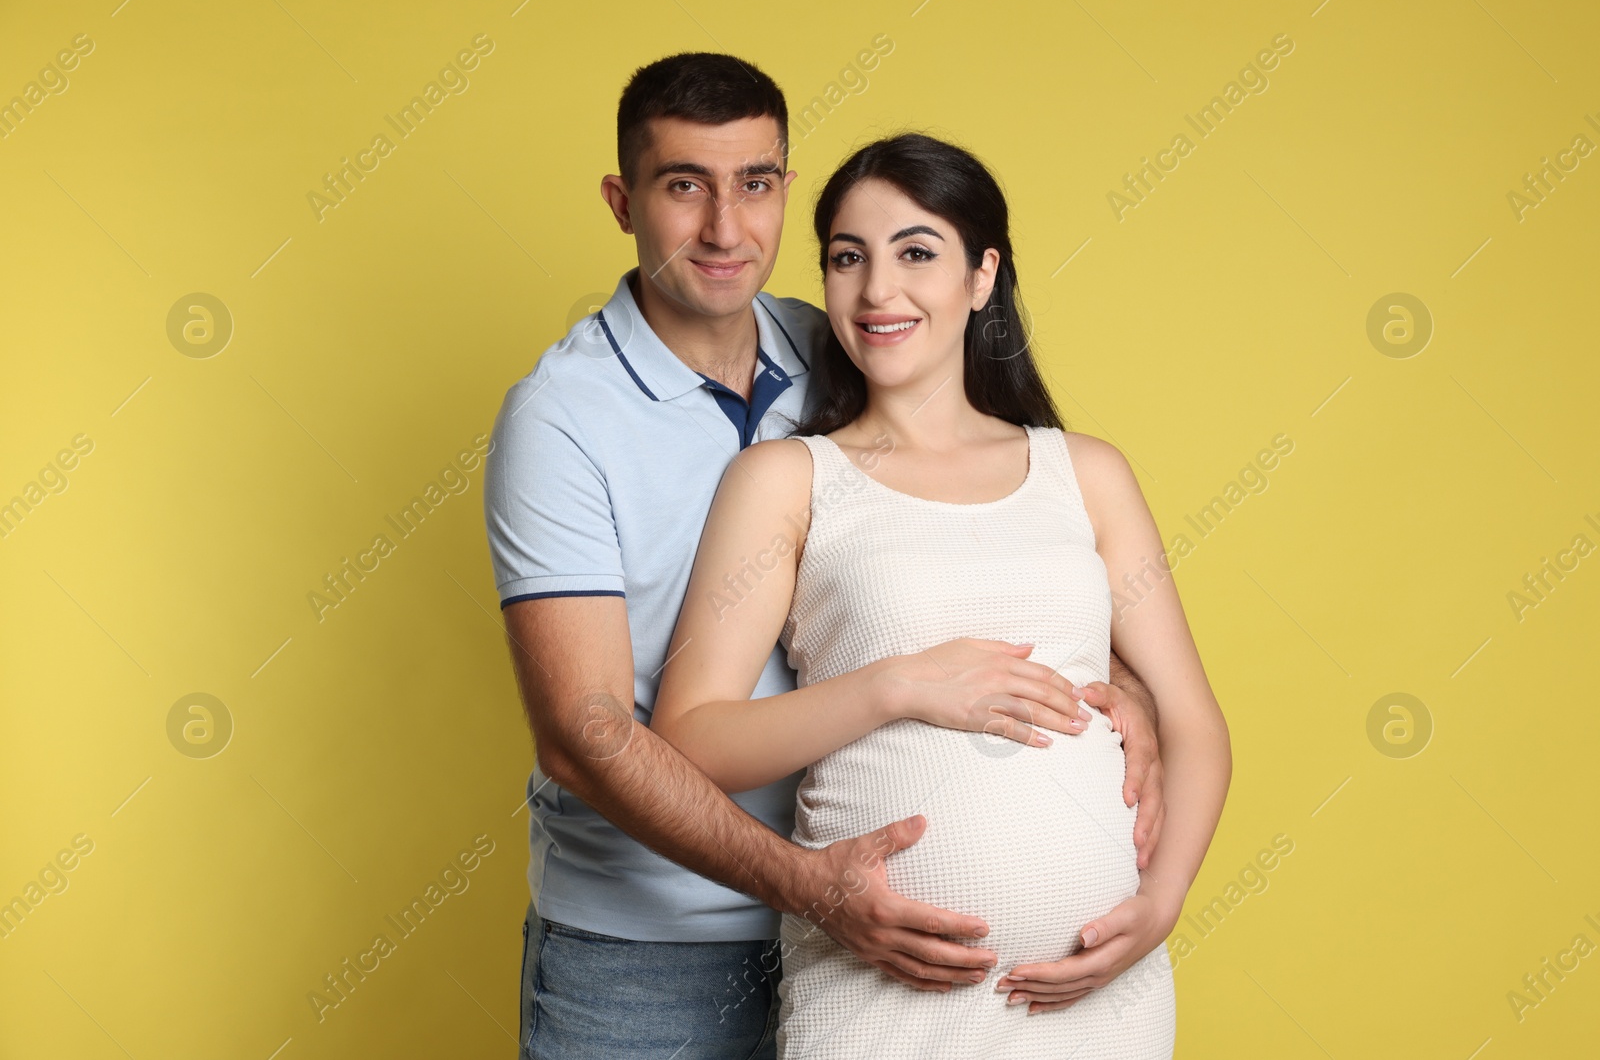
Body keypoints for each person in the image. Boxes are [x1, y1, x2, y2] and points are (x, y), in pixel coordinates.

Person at [484, 53, 1169, 1060]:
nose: (725, 228)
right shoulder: (560, 419)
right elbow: (583, 733)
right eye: (684, 187)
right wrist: (808, 885)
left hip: (869, 938)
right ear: (622, 203)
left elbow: (974, 550)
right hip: (651, 949)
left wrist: (1115, 688)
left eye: (754, 184)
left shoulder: (841, 344)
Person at [650, 132, 1232, 1058]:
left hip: (1098, 1003)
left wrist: (1159, 908)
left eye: (917, 252)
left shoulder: (1084, 472)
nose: (878, 290)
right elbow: (688, 738)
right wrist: (901, 684)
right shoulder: (787, 479)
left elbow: (1195, 723)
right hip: (879, 1000)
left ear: (981, 275)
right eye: (848, 258)